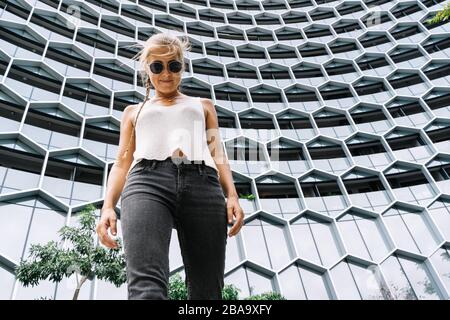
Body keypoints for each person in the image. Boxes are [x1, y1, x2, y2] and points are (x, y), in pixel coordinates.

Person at [96, 32, 244, 300]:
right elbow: (121, 163)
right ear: (147, 70)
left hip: (203, 184)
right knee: (146, 288)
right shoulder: (133, 111)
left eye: (174, 65)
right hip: (146, 183)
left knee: (208, 291)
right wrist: (108, 206)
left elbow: (218, 153)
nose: (166, 73)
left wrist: (231, 195)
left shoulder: (203, 105)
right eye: (157, 66)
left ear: (182, 67)